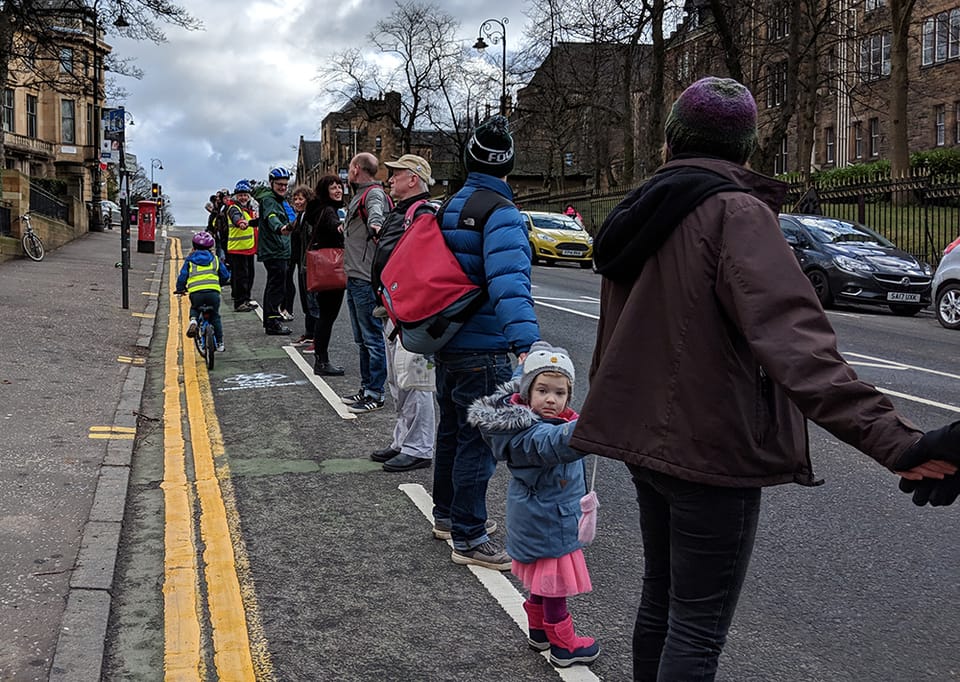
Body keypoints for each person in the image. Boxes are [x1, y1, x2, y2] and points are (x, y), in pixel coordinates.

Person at [567, 76, 959, 682]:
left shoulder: (639, 212)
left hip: (642, 440)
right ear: (746, 151)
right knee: (696, 626)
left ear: (670, 144)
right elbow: (798, 345)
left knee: (661, 602)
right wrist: (898, 441)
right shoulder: (736, 213)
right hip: (711, 447)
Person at [432, 115, 541, 570]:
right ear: (509, 165)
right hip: (486, 343)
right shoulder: (501, 212)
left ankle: (446, 514)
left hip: (449, 337)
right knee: (479, 443)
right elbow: (509, 282)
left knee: (452, 431)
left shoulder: (451, 205)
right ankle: (470, 535)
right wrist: (527, 343)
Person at [468, 341, 599, 668]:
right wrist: (598, 425)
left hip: (541, 516)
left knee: (544, 578)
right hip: (550, 521)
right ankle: (564, 645)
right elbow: (558, 442)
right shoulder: (530, 433)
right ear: (527, 395)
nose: (552, 399)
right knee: (555, 585)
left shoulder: (532, 421)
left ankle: (539, 631)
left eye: (560, 392)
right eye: (543, 391)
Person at [367, 154, 439, 472]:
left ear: (413, 178)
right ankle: (403, 441)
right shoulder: (405, 212)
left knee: (417, 381)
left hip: (412, 312)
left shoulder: (422, 212)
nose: (390, 179)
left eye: (396, 174)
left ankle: (420, 447)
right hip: (396, 311)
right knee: (400, 381)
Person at [340, 152, 391, 413]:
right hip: (355, 275)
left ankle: (375, 393)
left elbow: (375, 214)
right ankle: (365, 387)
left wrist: (375, 224)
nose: (348, 171)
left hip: (365, 278)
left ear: (356, 168)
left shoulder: (372, 193)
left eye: (350, 167)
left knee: (372, 338)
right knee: (362, 339)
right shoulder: (358, 194)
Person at [304, 175, 347, 376]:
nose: (338, 190)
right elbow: (336, 227)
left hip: (321, 269)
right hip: (332, 269)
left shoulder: (317, 210)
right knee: (327, 317)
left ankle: (321, 360)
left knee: (325, 316)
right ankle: (322, 362)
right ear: (325, 191)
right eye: (333, 187)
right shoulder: (329, 211)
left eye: (340, 186)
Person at [175, 231, 231, 352]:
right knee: (215, 316)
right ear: (211, 247)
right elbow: (225, 275)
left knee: (195, 307)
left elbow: (182, 276)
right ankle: (220, 343)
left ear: (194, 246)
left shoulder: (190, 260)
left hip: (196, 292)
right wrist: (219, 283)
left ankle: (193, 320)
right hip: (213, 292)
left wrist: (180, 289)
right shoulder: (215, 260)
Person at [258, 167, 294, 335]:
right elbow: (271, 217)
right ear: (271, 183)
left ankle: (272, 320)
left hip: (279, 249)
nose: (283, 188)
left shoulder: (278, 200)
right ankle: (272, 322)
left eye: (285, 185)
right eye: (279, 184)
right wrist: (280, 228)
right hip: (274, 250)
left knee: (278, 285)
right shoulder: (270, 201)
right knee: (276, 286)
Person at [288, 184, 317, 345]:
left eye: (301, 198)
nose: (297, 202)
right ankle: (309, 333)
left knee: (313, 302)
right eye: (295, 199)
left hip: (310, 263)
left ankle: (315, 337)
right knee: (306, 301)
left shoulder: (310, 217)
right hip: (301, 262)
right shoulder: (300, 217)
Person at [225, 180, 259, 312]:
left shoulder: (248, 208)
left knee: (249, 275)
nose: (243, 197)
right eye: (241, 195)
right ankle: (239, 302)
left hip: (248, 248)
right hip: (238, 248)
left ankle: (246, 299)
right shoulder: (234, 208)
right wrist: (240, 223)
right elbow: (236, 217)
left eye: (245, 195)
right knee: (241, 277)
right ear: (236, 196)